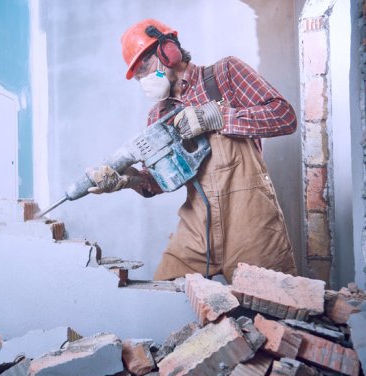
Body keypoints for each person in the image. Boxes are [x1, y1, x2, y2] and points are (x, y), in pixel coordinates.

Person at [86, 18, 297, 283]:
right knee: (163, 296)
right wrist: (129, 179)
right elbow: (163, 181)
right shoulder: (158, 115)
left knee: (271, 309)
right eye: (137, 75)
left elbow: (284, 116)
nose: (143, 79)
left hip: (250, 223)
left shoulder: (224, 74)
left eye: (145, 66)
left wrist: (218, 117)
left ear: (169, 50)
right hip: (198, 228)